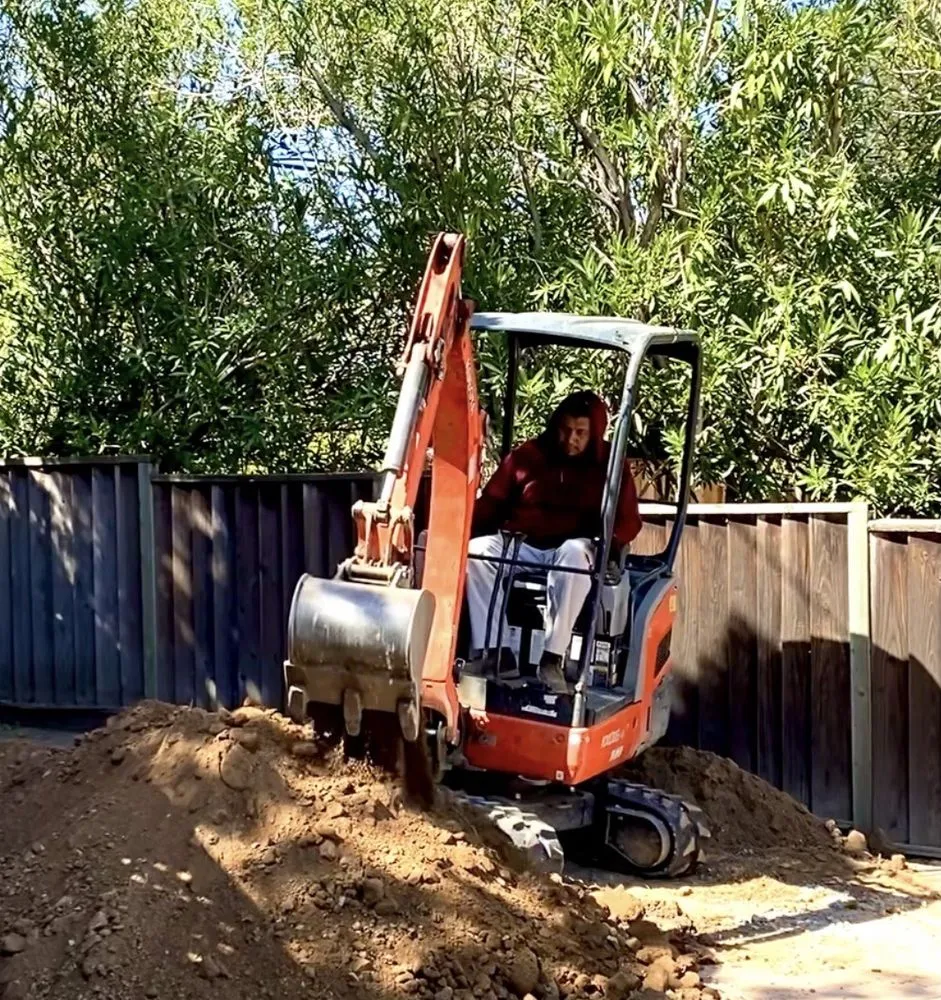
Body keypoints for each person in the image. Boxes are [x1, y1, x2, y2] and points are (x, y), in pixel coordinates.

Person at [466, 390, 642, 694]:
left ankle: (552, 658)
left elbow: (627, 521)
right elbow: (492, 502)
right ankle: (497, 652)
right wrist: (463, 531)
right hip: (525, 545)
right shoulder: (528, 456)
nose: (570, 439)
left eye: (580, 432)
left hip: (576, 549)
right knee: (476, 554)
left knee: (573, 555)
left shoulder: (610, 466)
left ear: (594, 433)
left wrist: (612, 547)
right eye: (565, 429)